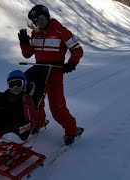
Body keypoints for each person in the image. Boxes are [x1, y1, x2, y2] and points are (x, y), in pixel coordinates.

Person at [18, 4, 84, 145]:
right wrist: (24, 42)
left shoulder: (60, 31)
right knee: (35, 101)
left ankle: (71, 130)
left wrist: (71, 63)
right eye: (35, 20)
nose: (38, 21)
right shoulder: (35, 33)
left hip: (55, 73)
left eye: (40, 17)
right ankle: (38, 123)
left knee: (57, 106)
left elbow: (77, 50)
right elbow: (27, 54)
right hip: (39, 72)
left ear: (46, 16)